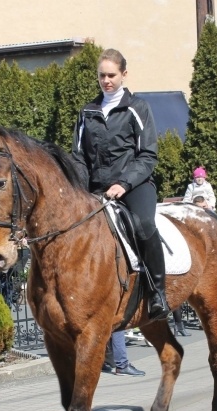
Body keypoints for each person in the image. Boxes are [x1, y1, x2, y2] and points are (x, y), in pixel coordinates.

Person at [71, 48, 170, 321]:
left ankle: (157, 291)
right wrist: (79, 189)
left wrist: (124, 184)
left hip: (134, 185)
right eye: (102, 75)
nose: (106, 80)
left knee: (144, 225)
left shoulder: (137, 108)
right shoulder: (87, 112)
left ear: (123, 74)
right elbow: (78, 157)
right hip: (96, 189)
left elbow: (148, 155)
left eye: (111, 75)